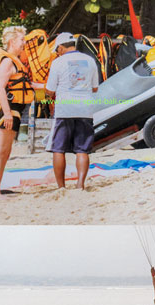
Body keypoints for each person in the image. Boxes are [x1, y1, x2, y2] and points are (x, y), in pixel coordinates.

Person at [0, 26, 40, 198]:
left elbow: (26, 84)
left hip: (15, 110)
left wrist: (47, 87)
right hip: (7, 111)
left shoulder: (16, 62)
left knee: (6, 152)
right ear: (12, 42)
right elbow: (1, 88)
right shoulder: (8, 61)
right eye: (22, 40)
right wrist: (7, 113)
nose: (24, 43)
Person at [45, 32, 100, 190]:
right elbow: (95, 88)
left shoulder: (58, 62)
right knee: (82, 150)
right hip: (85, 109)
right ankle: (80, 185)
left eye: (57, 50)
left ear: (61, 48)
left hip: (64, 109)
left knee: (58, 148)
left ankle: (61, 187)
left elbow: (50, 90)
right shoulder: (90, 60)